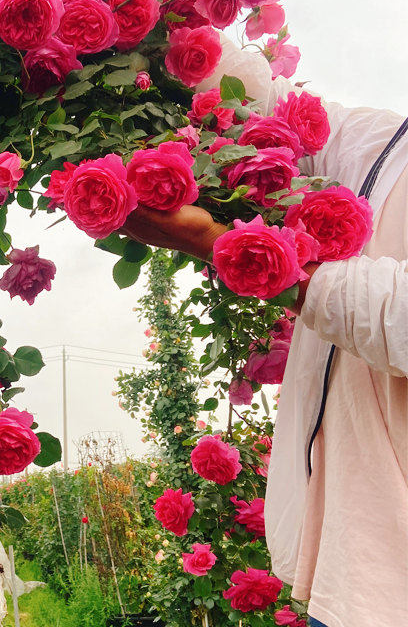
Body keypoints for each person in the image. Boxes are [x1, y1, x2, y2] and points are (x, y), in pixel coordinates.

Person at [122, 36, 408, 627]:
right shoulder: (390, 147)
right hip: (349, 564)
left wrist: (220, 244)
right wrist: (156, 17)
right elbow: (268, 107)